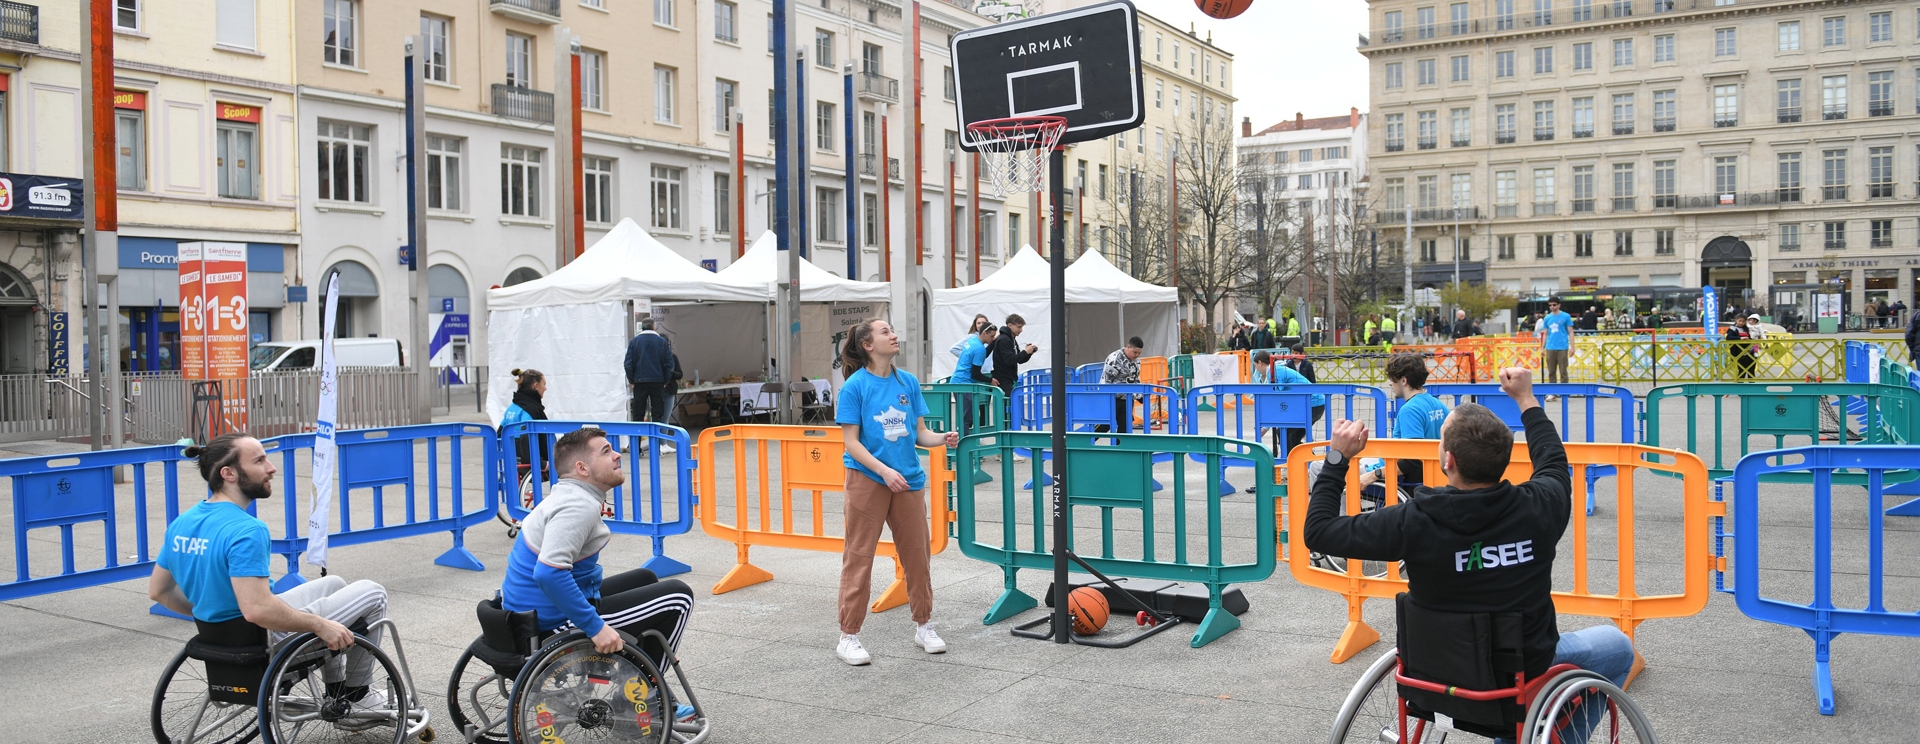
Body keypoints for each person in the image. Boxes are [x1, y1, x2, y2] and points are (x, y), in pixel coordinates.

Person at [1304, 368, 1634, 744]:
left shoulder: (1413, 521)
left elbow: (1318, 531)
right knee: (1618, 646)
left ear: (1448, 461)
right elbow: (1553, 461)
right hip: (1519, 677)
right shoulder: (1539, 507)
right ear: (1505, 459)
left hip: (1431, 674)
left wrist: (1337, 459)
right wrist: (1526, 399)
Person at [148, 434, 393, 714]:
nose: (272, 468)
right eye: (259, 461)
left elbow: (160, 591)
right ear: (228, 473)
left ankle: (336, 690)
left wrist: (213, 613)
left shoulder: (183, 523)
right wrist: (318, 624)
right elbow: (257, 610)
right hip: (264, 643)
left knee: (333, 583)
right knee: (374, 592)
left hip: (222, 637)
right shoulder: (246, 530)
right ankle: (358, 695)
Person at [501, 427, 695, 667]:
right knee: (678, 597)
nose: (617, 455)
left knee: (645, 577)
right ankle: (649, 695)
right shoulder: (577, 506)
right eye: (606, 451)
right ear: (582, 468)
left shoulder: (566, 495)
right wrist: (596, 627)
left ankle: (632, 673)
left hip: (531, 614)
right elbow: (548, 573)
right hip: (551, 624)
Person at [834, 319, 960, 666]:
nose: (894, 335)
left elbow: (920, 433)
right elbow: (851, 443)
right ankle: (849, 636)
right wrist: (883, 470)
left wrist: (942, 438)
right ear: (868, 345)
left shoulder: (908, 382)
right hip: (868, 480)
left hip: (907, 481)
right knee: (859, 555)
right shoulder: (855, 386)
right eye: (885, 332)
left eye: (893, 331)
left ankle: (924, 626)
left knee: (918, 556)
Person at [500, 368, 552, 481]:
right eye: (544, 384)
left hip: (512, 461)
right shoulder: (530, 410)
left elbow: (499, 433)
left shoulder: (511, 409)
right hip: (531, 464)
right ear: (536, 386)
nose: (545, 388)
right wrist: (540, 463)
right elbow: (526, 438)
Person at [624, 319, 674, 425]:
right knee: (657, 415)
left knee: (638, 415)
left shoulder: (634, 342)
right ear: (654, 326)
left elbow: (628, 364)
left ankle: (636, 441)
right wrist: (665, 381)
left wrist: (632, 380)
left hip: (639, 382)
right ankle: (655, 441)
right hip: (658, 382)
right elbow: (670, 364)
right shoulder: (662, 342)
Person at [1094, 337, 1145, 433]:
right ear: (1128, 347)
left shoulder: (1137, 361)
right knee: (1104, 425)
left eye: (1139, 353)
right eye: (1135, 352)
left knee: (1125, 427)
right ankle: (1084, 442)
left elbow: (1135, 379)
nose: (1137, 355)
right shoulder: (1115, 359)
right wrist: (1104, 400)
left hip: (1127, 399)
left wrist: (1139, 394)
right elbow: (1106, 381)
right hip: (1112, 398)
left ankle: (1120, 448)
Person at [952, 324, 998, 433]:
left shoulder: (972, 341)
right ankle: (964, 444)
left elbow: (983, 354)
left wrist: (993, 342)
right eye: (992, 336)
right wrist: (990, 380)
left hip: (957, 380)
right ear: (984, 333)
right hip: (964, 384)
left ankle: (964, 439)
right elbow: (976, 374)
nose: (992, 338)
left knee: (966, 415)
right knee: (966, 418)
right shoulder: (979, 349)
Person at [988, 314, 1037, 399]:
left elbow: (1019, 360)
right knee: (1007, 406)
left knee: (1011, 405)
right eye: (1019, 327)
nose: (1021, 330)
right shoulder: (1004, 340)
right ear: (1010, 325)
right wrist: (1025, 352)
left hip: (1009, 379)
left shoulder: (1012, 339)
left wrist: (1029, 353)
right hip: (1003, 379)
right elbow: (1009, 360)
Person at [1538, 299, 1573, 397]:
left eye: (1554, 305)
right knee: (1551, 371)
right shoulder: (1547, 318)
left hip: (1562, 346)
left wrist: (1572, 347)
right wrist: (1542, 348)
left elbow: (1570, 332)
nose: (1552, 307)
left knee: (1563, 370)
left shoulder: (1566, 316)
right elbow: (1545, 333)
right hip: (1550, 346)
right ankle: (1553, 392)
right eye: (1550, 305)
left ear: (1559, 305)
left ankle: (1564, 392)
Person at [1725, 314, 1755, 380]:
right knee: (1742, 369)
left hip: (1749, 351)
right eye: (1740, 321)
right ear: (1736, 320)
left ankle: (1752, 383)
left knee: (1751, 367)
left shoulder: (1747, 329)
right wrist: (1740, 338)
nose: (1741, 323)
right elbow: (1729, 338)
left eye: (1743, 321)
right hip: (1738, 352)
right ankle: (1741, 383)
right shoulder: (1732, 329)